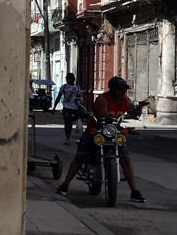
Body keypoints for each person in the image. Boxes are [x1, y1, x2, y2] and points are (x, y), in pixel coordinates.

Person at [56, 75, 145, 203]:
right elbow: (105, 117)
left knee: (126, 158)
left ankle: (134, 191)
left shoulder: (125, 99)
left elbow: (133, 113)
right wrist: (120, 128)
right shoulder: (102, 99)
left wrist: (140, 107)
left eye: (124, 89)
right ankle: (65, 185)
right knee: (80, 156)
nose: (124, 92)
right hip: (95, 130)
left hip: (112, 131)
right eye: (121, 89)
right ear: (113, 89)